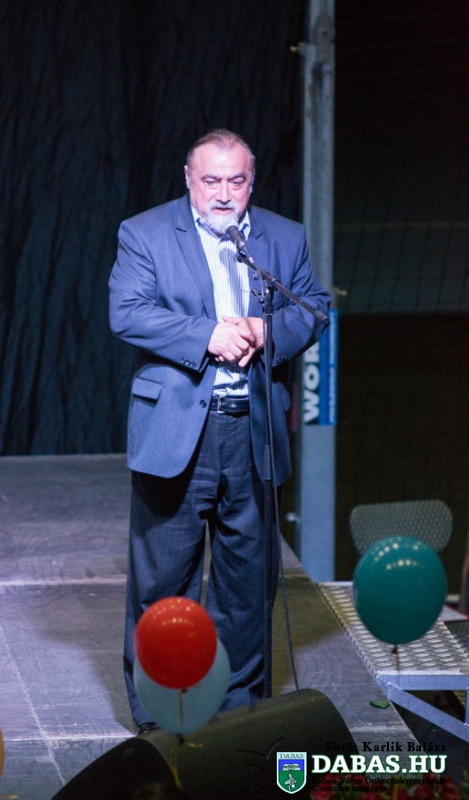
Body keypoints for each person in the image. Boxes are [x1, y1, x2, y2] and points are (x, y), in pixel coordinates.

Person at [109, 129, 331, 733]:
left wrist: (265, 331)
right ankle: (164, 719)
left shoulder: (283, 237)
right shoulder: (146, 233)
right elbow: (127, 312)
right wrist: (206, 335)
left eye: (236, 181)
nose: (224, 193)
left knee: (247, 589)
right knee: (163, 587)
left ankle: (238, 721)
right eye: (211, 180)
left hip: (253, 432)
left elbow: (313, 308)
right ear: (189, 179)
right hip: (179, 432)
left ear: (251, 182)